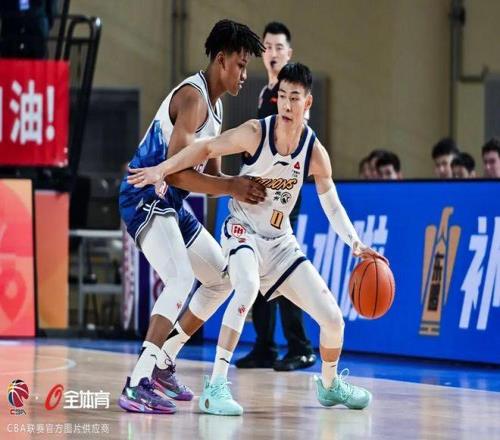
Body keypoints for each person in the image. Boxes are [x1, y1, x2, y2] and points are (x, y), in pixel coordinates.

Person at [128, 62, 387, 415]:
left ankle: (329, 386)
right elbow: (205, 148)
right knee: (246, 286)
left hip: (280, 244)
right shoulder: (255, 132)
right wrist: (162, 168)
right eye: (283, 96)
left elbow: (331, 203)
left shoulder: (314, 151)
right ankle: (216, 386)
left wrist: (355, 243)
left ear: (308, 102)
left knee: (333, 320)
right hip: (242, 231)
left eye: (295, 98)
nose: (287, 104)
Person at [117, 19, 265, 414]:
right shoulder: (193, 98)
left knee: (220, 279)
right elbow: (176, 173)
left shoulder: (216, 108)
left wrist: (242, 183)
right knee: (181, 278)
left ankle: (164, 360)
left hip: (170, 203)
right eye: (240, 65)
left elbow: (213, 180)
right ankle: (136, 382)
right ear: (221, 60)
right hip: (145, 195)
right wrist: (232, 186)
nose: (244, 74)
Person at [235, 21, 316, 372]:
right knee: (258, 268)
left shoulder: (293, 98)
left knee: (282, 269)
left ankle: (301, 346)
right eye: (267, 46)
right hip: (260, 194)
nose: (272, 52)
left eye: (279, 47)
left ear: (289, 53)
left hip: (283, 194)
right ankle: (265, 346)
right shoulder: (265, 92)